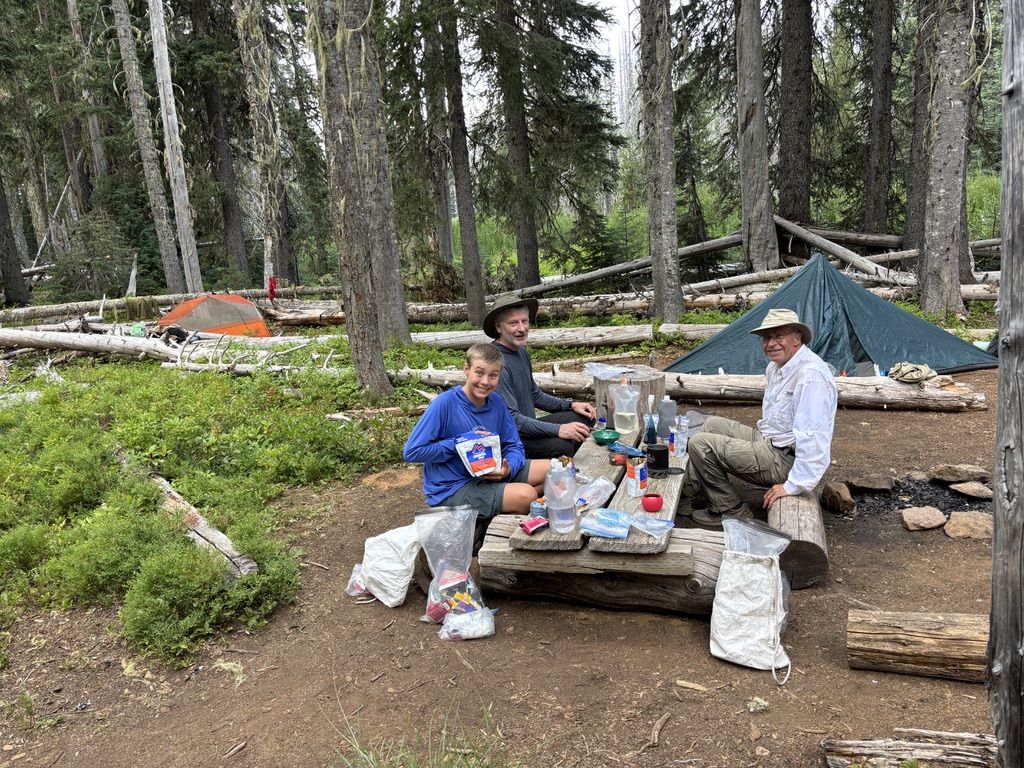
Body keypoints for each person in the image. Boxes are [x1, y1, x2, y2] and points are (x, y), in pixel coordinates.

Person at [683, 308, 838, 528]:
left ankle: (730, 509)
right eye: (766, 338)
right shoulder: (776, 367)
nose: (771, 343)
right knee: (710, 424)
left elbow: (814, 437)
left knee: (701, 444)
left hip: (785, 460)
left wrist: (793, 485)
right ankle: (693, 491)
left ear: (797, 338)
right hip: (768, 441)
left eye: (779, 336)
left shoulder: (810, 376)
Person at [403, 343, 547, 521]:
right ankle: (495, 519)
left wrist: (508, 469)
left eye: (493, 375)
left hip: (491, 473)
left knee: (555, 470)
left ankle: (501, 506)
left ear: (499, 375)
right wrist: (459, 444)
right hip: (454, 487)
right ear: (466, 370)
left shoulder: (496, 402)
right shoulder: (445, 403)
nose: (485, 381)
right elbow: (412, 452)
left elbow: (514, 445)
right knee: (527, 495)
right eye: (479, 373)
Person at [485, 293, 597, 459]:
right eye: (513, 323)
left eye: (525, 321)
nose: (522, 328)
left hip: (528, 428)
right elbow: (513, 421)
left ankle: (556, 459)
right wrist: (559, 430)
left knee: (584, 416)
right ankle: (541, 465)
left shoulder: (521, 351)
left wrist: (570, 404)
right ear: (498, 327)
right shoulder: (495, 363)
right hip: (512, 440)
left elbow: (534, 394)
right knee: (563, 445)